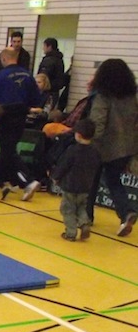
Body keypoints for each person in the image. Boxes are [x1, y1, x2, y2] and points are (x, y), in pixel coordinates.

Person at [86, 58, 138, 236]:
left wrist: (89, 141)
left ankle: (86, 216)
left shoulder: (103, 96)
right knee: (114, 181)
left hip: (103, 146)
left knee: (91, 181)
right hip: (127, 146)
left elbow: (97, 123)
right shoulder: (132, 97)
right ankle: (126, 212)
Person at [0, 49, 44, 201]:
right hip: (21, 116)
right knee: (7, 149)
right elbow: (36, 99)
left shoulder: (0, 76)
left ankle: (28, 181)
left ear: (4, 59)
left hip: (6, 115)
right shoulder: (28, 75)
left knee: (8, 150)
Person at [51, 119, 101, 241]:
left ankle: (71, 233)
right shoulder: (95, 152)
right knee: (82, 207)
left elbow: (63, 166)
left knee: (68, 209)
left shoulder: (72, 150)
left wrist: (56, 177)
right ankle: (84, 223)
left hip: (70, 185)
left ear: (78, 135)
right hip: (86, 186)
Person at [37, 38, 66, 102]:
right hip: (55, 92)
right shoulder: (59, 60)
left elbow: (43, 77)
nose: (43, 48)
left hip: (47, 92)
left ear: (49, 47)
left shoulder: (48, 61)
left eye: (44, 46)